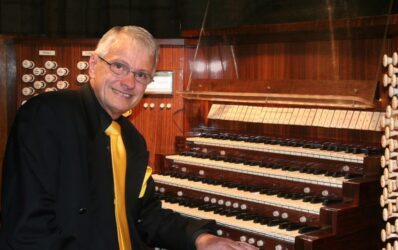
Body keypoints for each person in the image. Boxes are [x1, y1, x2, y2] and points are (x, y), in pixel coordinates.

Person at [0, 26, 258, 250]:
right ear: (92, 65)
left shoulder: (132, 141)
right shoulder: (47, 117)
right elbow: (29, 231)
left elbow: (146, 216)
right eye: (119, 66)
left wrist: (200, 238)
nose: (128, 82)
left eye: (140, 74)